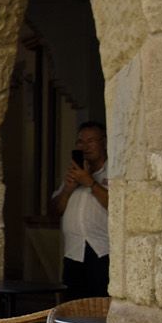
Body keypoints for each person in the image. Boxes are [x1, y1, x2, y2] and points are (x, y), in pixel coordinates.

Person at [53, 120, 110, 298]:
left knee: (98, 309)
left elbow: (117, 206)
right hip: (74, 252)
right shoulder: (73, 174)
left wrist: (90, 183)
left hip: (102, 252)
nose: (85, 147)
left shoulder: (113, 172)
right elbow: (55, 210)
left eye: (91, 141)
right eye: (81, 142)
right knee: (72, 307)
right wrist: (68, 189)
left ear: (104, 142)